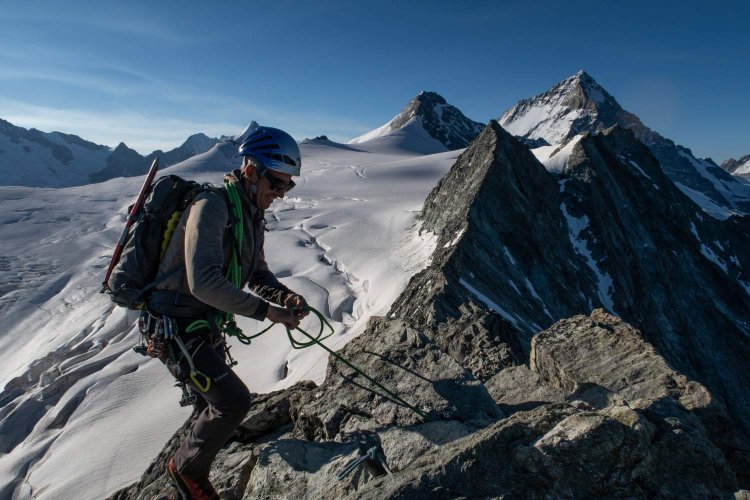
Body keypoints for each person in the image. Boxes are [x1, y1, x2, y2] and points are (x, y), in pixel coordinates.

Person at [147, 126, 308, 499]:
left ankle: (188, 468)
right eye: (278, 184)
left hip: (203, 324)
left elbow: (256, 273)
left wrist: (285, 298)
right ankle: (186, 472)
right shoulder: (213, 207)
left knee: (212, 402)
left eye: (288, 187)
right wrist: (268, 311)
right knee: (233, 402)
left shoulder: (250, 214)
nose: (281, 194)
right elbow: (202, 281)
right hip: (177, 325)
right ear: (251, 172)